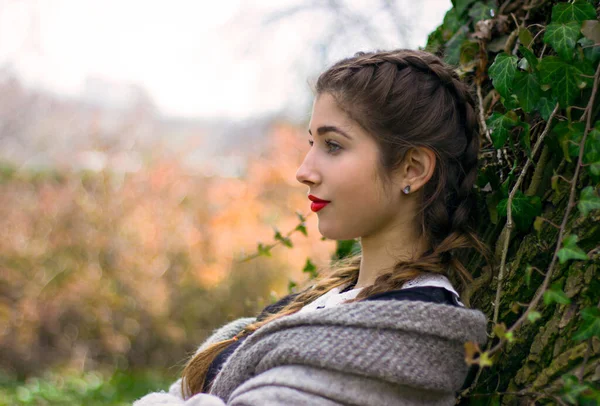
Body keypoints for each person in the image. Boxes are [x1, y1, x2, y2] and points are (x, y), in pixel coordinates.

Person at [134, 48, 493, 406]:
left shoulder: (417, 328)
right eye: (312, 143)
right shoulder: (318, 300)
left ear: (412, 169)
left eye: (333, 146)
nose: (303, 171)